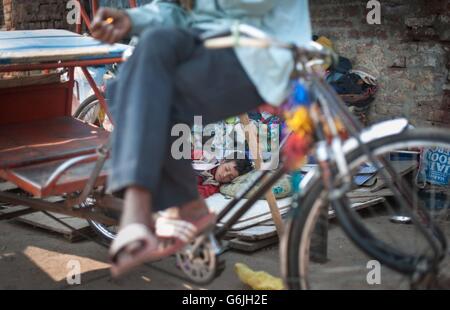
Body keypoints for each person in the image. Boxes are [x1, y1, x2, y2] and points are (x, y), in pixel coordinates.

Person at [90, 0, 312, 277]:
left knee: (149, 92)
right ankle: (179, 207)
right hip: (214, 46)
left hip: (261, 55)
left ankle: (147, 210)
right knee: (126, 82)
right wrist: (131, 19)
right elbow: (188, 16)